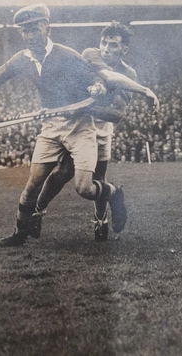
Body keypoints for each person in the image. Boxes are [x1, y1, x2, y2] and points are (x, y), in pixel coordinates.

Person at [0, 3, 128, 248]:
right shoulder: (22, 59)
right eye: (24, 30)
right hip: (51, 126)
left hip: (79, 126)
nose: (29, 35)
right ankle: (19, 235)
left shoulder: (65, 54)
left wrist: (97, 86)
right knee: (33, 184)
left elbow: (95, 77)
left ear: (46, 27)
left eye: (34, 28)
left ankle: (114, 194)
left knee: (84, 188)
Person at [35, 22, 159, 241]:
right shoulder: (90, 54)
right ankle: (37, 211)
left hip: (100, 125)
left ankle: (100, 222)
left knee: (99, 177)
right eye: (104, 42)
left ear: (124, 50)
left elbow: (118, 114)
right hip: (79, 124)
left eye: (112, 45)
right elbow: (106, 77)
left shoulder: (129, 73)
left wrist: (84, 108)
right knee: (63, 172)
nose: (105, 49)